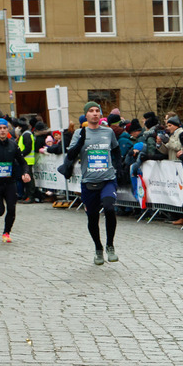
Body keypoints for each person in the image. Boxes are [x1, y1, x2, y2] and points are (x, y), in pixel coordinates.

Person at [61, 101, 123, 265]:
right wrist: (80, 142)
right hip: (89, 181)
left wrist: (118, 167)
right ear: (86, 115)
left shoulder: (108, 132)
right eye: (91, 111)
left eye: (97, 111)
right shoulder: (79, 133)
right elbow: (71, 156)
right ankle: (98, 248)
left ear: (100, 115)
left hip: (108, 179)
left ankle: (110, 245)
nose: (95, 113)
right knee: (92, 218)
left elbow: (116, 150)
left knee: (109, 208)